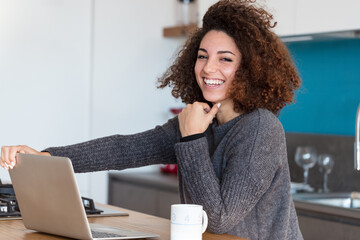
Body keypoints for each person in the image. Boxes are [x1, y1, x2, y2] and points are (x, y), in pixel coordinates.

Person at [1, 0, 303, 239]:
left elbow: (221, 218)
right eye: (202, 55)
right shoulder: (198, 118)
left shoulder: (260, 128)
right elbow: (126, 149)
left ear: (249, 69)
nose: (209, 68)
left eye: (225, 59)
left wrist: (193, 139)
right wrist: (47, 155)